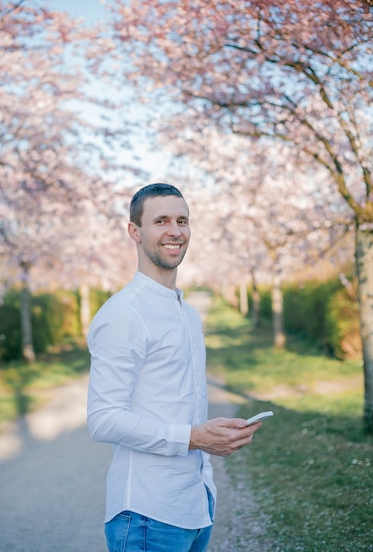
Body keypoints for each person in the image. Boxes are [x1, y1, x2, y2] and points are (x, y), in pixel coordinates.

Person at [87, 183, 262, 552]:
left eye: (182, 220)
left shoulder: (188, 313)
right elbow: (103, 419)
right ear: (135, 231)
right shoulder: (124, 314)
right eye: (161, 220)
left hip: (197, 503)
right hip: (147, 514)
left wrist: (218, 436)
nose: (175, 231)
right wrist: (194, 437)